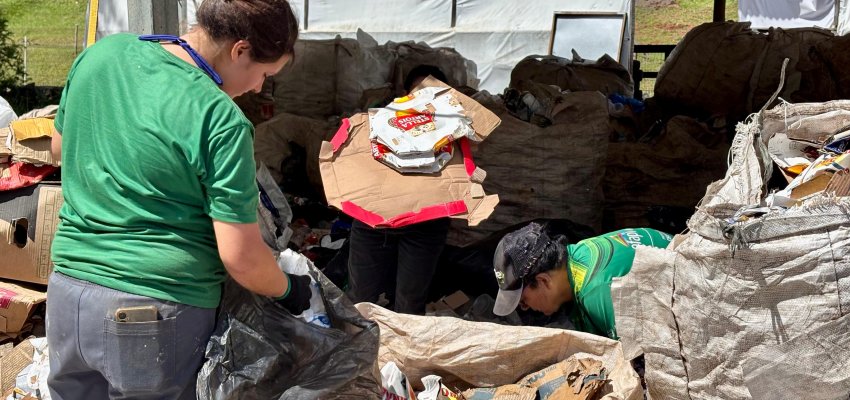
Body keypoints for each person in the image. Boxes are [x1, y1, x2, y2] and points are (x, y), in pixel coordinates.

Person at [46, 1, 311, 399]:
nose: (258, 88)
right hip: (153, 310)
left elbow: (59, 148)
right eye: (264, 74)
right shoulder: (219, 117)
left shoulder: (101, 56)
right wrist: (288, 289)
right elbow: (241, 259)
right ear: (239, 50)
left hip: (68, 294)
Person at [347, 65, 451, 315]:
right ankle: (359, 350)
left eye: (433, 92)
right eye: (419, 92)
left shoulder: (453, 130)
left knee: (409, 303)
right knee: (361, 298)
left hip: (424, 225)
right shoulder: (380, 121)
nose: (425, 99)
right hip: (374, 221)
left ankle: (403, 352)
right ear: (405, 93)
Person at [492, 221, 672, 339]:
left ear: (544, 281)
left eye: (523, 302)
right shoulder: (579, 252)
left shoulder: (597, 292)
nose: (527, 308)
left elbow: (643, 361)